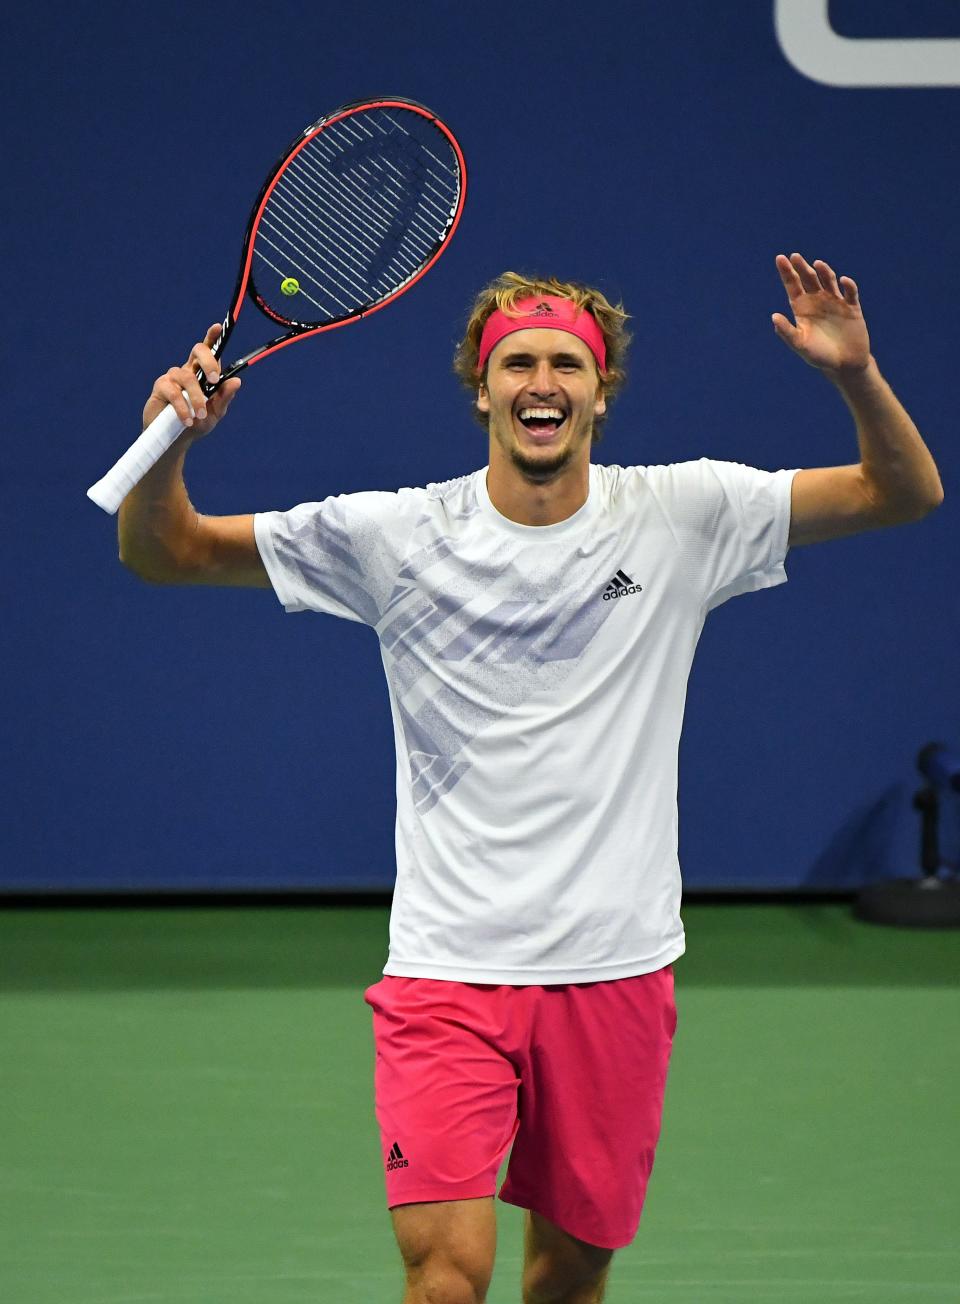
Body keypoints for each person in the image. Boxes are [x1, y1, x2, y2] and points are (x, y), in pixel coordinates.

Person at [119, 255, 943, 1304]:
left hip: (616, 967)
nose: (540, 381)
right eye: (517, 362)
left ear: (601, 391)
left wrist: (856, 376)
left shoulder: (686, 514)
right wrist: (165, 453)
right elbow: (169, 551)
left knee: (566, 1278)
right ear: (482, 385)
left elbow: (903, 491)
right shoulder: (398, 533)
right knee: (446, 1277)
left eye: (565, 362)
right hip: (447, 967)